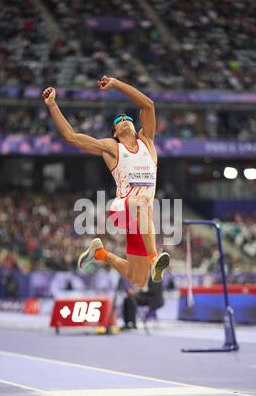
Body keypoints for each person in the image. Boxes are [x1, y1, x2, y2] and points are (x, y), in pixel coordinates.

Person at [42, 76, 170, 288]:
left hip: (141, 219)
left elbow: (148, 104)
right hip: (122, 209)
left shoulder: (147, 140)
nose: (124, 120)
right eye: (118, 121)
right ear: (115, 133)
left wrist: (116, 84)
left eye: (127, 118)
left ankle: (99, 253)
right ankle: (154, 257)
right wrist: (53, 104)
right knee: (142, 202)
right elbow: (71, 137)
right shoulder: (112, 148)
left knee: (138, 279)